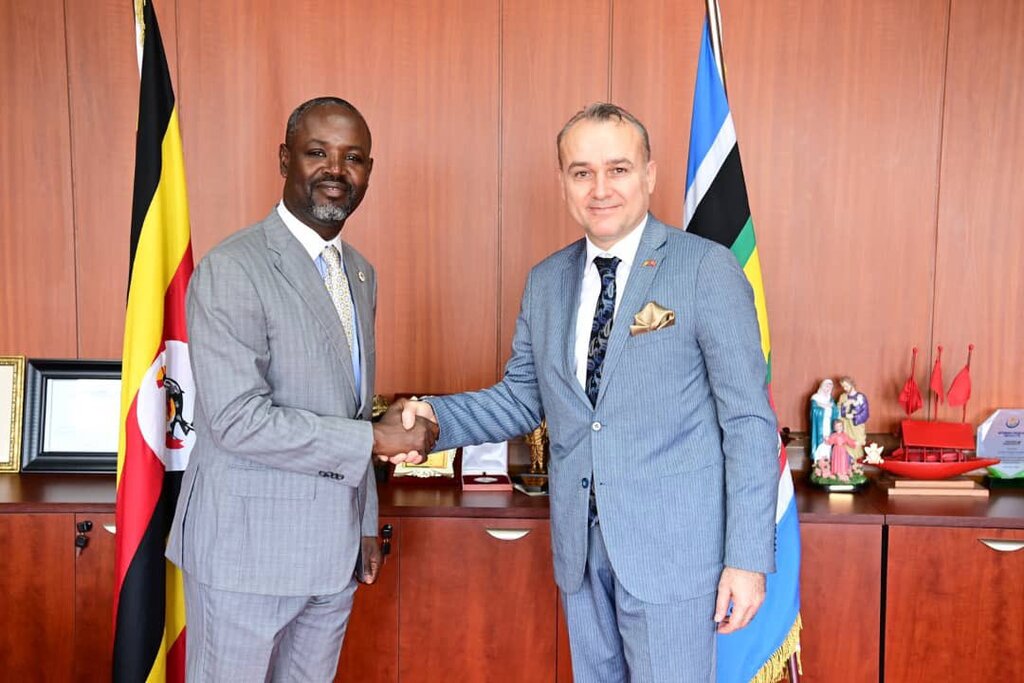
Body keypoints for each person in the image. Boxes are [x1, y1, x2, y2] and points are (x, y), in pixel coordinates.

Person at [384, 103, 779, 681]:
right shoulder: (546, 281)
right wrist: (432, 418)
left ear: (649, 174)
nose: (600, 189)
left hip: (674, 558)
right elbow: (522, 398)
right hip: (580, 553)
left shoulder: (706, 270)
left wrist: (747, 558)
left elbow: (747, 422)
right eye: (582, 172)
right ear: (562, 182)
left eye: (618, 169)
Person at [166, 97, 436, 681]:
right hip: (246, 554)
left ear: (369, 171)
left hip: (333, 555)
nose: (336, 170)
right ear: (285, 159)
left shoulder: (359, 271)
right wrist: (374, 440)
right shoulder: (233, 268)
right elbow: (237, 420)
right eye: (318, 152)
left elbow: (352, 405)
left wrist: (363, 525)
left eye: (353, 158)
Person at [838, 376, 869, 460]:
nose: (845, 388)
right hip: (846, 424)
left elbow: (865, 413)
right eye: (843, 386)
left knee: (857, 442)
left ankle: (857, 461)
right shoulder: (843, 396)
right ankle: (847, 460)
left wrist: (854, 416)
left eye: (846, 386)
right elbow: (838, 411)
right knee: (847, 442)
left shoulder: (861, 397)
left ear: (851, 384)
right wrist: (844, 408)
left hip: (857, 425)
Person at [809, 378, 837, 459]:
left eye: (830, 388)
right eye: (826, 387)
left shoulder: (830, 399)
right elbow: (814, 411)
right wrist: (825, 408)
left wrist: (832, 409)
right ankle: (818, 460)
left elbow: (835, 409)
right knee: (821, 441)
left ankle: (828, 459)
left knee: (828, 441)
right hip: (820, 424)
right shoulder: (815, 398)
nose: (828, 389)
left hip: (829, 423)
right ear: (822, 387)